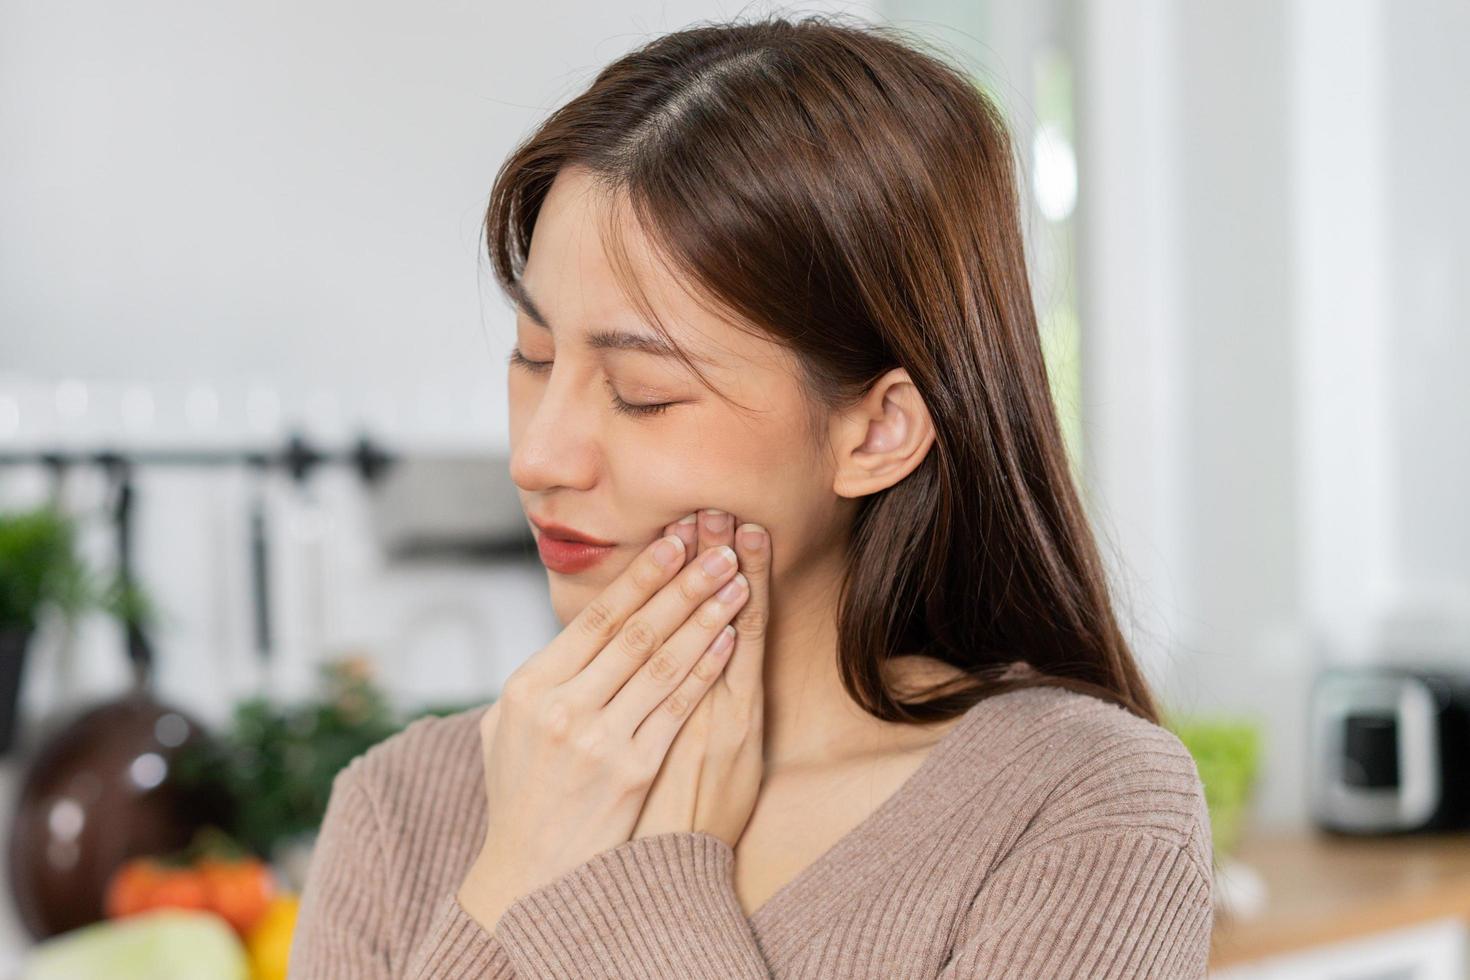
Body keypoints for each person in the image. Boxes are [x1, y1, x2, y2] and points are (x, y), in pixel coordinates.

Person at [289, 13, 1215, 979]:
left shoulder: (1078, 806)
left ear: (877, 431)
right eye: (533, 359)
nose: (539, 457)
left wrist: (633, 890)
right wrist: (519, 862)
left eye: (643, 395)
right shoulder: (400, 806)